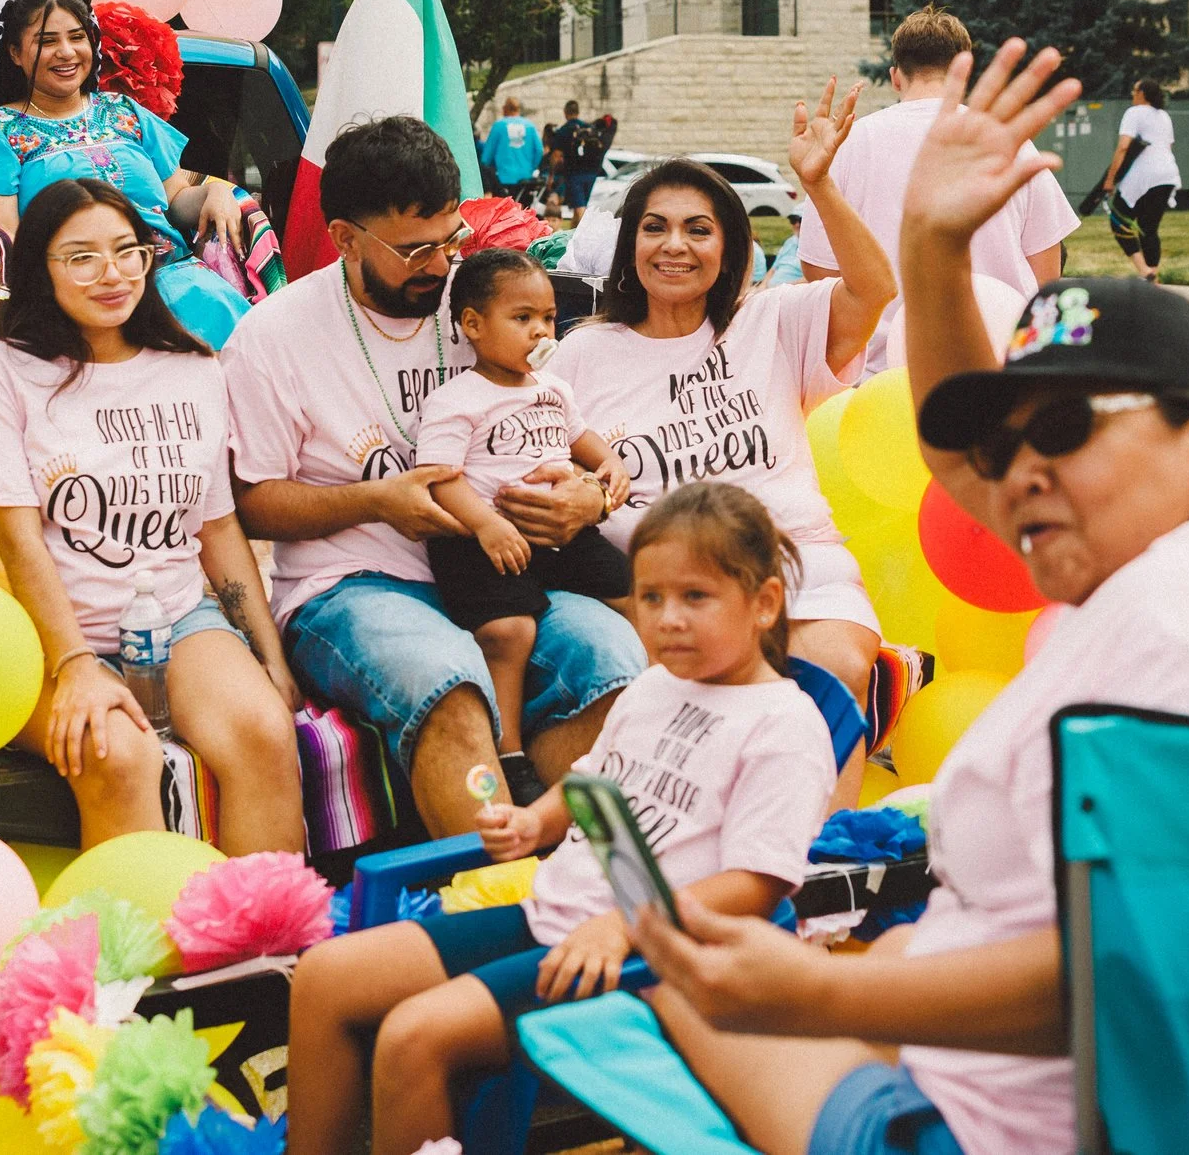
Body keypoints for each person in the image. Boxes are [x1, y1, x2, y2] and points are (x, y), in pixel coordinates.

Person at [625, 42, 1189, 1155]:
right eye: (1014, 437)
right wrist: (930, 243)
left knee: (668, 997)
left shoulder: (1178, 625)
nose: (1019, 469)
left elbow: (1120, 967)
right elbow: (956, 453)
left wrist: (816, 994)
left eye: (1068, 431)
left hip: (1046, 1119)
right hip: (1138, 1080)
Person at [288, 481, 837, 1155]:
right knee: (322, 979)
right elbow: (594, 784)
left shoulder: (782, 724)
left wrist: (626, 924)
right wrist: (535, 822)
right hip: (552, 920)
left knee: (414, 1036)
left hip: (645, 963)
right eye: (652, 596)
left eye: (696, 596)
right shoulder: (655, 687)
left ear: (764, 603)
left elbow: (759, 884)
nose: (667, 618)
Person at [225, 116, 640, 835]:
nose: (439, 265)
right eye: (414, 249)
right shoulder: (274, 335)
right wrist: (376, 501)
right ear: (346, 238)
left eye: (450, 240)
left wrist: (589, 494)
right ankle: (495, 901)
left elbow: (564, 421)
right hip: (351, 584)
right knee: (447, 678)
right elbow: (252, 504)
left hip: (506, 569)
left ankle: (596, 888)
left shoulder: (478, 296)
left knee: (611, 657)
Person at [0, 178, 302, 854]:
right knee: (116, 753)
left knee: (262, 729)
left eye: (127, 250)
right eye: (80, 256)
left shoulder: (193, 368)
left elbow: (218, 529)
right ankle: (134, 951)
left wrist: (270, 656)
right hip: (43, 635)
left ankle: (262, 941)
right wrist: (76, 662)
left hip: (174, 617)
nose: (111, 273)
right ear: (37, 269)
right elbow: (21, 542)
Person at [549, 80, 896, 769]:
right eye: (655, 227)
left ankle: (818, 869)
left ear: (728, 245)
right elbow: (544, 468)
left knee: (821, 688)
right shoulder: (581, 354)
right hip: (668, 590)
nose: (674, 245)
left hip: (798, 566)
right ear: (630, 245)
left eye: (697, 228)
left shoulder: (771, 320)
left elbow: (873, 289)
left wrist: (819, 186)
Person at [416, 248, 635, 801]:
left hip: (560, 535)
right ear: (472, 325)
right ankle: (509, 749)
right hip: (484, 539)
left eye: (546, 318)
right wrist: (486, 525)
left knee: (634, 588)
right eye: (522, 318)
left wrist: (608, 464)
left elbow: (585, 441)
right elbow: (439, 477)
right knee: (510, 631)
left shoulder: (552, 389)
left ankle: (661, 698)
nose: (539, 330)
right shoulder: (457, 399)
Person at [0, 0, 252, 347]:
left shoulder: (123, 111)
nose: (66, 52)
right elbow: (12, 244)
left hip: (185, 291)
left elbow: (175, 199)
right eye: (47, 41)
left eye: (77, 37)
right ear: (15, 53)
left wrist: (216, 191)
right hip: (82, 309)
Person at [798, 7, 1077, 371]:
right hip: (1000, 363)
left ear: (895, 77)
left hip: (881, 375)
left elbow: (820, 270)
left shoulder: (846, 144)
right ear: (965, 69)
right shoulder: (1005, 141)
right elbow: (1045, 272)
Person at [1095, 78, 1182, 283]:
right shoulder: (1163, 116)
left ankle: (1145, 271)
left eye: (1134, 91)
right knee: (1149, 228)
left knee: (1118, 221)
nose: (1132, 95)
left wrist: (1110, 179)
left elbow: (1123, 147)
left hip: (1142, 177)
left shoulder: (1133, 113)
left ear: (1142, 93)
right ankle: (1153, 276)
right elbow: (1167, 147)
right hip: (1168, 174)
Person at [549, 100, 610, 220]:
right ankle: (574, 234)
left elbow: (556, 155)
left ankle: (586, 234)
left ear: (565, 112)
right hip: (592, 173)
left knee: (579, 207)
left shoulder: (564, 130)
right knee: (580, 206)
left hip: (574, 173)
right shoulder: (588, 128)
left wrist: (551, 175)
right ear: (578, 112)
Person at [480, 97, 544, 204]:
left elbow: (486, 157)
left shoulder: (499, 126)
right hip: (525, 177)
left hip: (503, 178)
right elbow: (539, 150)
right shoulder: (530, 126)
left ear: (505, 109)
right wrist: (532, 167)